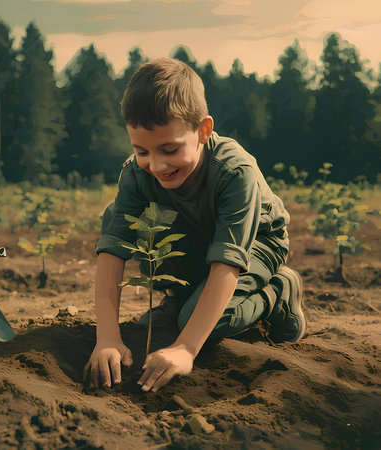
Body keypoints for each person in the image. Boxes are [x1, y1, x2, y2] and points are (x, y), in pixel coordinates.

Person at [83, 57, 305, 393]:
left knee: (202, 324)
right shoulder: (136, 173)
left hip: (255, 243)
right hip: (196, 240)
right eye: (141, 150)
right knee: (115, 216)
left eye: (169, 149)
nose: (156, 164)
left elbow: (228, 261)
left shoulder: (234, 171)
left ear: (203, 131)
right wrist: (107, 338)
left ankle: (279, 292)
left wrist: (186, 348)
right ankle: (184, 299)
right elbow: (113, 250)